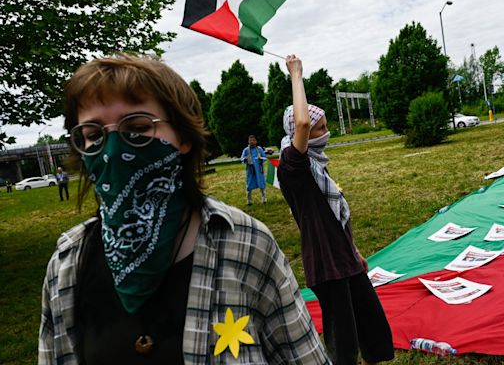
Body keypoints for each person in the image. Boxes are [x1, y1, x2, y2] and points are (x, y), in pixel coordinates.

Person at [39, 54, 330, 364]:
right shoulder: (67, 265)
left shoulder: (246, 245)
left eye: (137, 128)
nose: (113, 151)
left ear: (183, 138)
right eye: (94, 135)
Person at [277, 54, 394, 365]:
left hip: (344, 258)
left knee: (372, 325)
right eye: (320, 129)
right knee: (342, 342)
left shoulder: (317, 166)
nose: (325, 133)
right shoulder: (293, 167)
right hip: (326, 263)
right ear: (301, 134)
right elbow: (301, 121)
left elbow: (337, 217)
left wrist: (354, 251)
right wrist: (296, 75)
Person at [240, 135, 267, 205]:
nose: (252, 142)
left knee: (262, 183)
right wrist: (245, 159)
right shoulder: (246, 150)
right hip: (250, 170)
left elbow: (264, 157)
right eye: (250, 140)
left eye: (253, 140)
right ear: (248, 142)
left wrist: (261, 159)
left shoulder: (259, 149)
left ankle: (264, 199)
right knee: (249, 184)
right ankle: (249, 200)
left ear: (256, 141)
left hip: (259, 169)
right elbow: (242, 158)